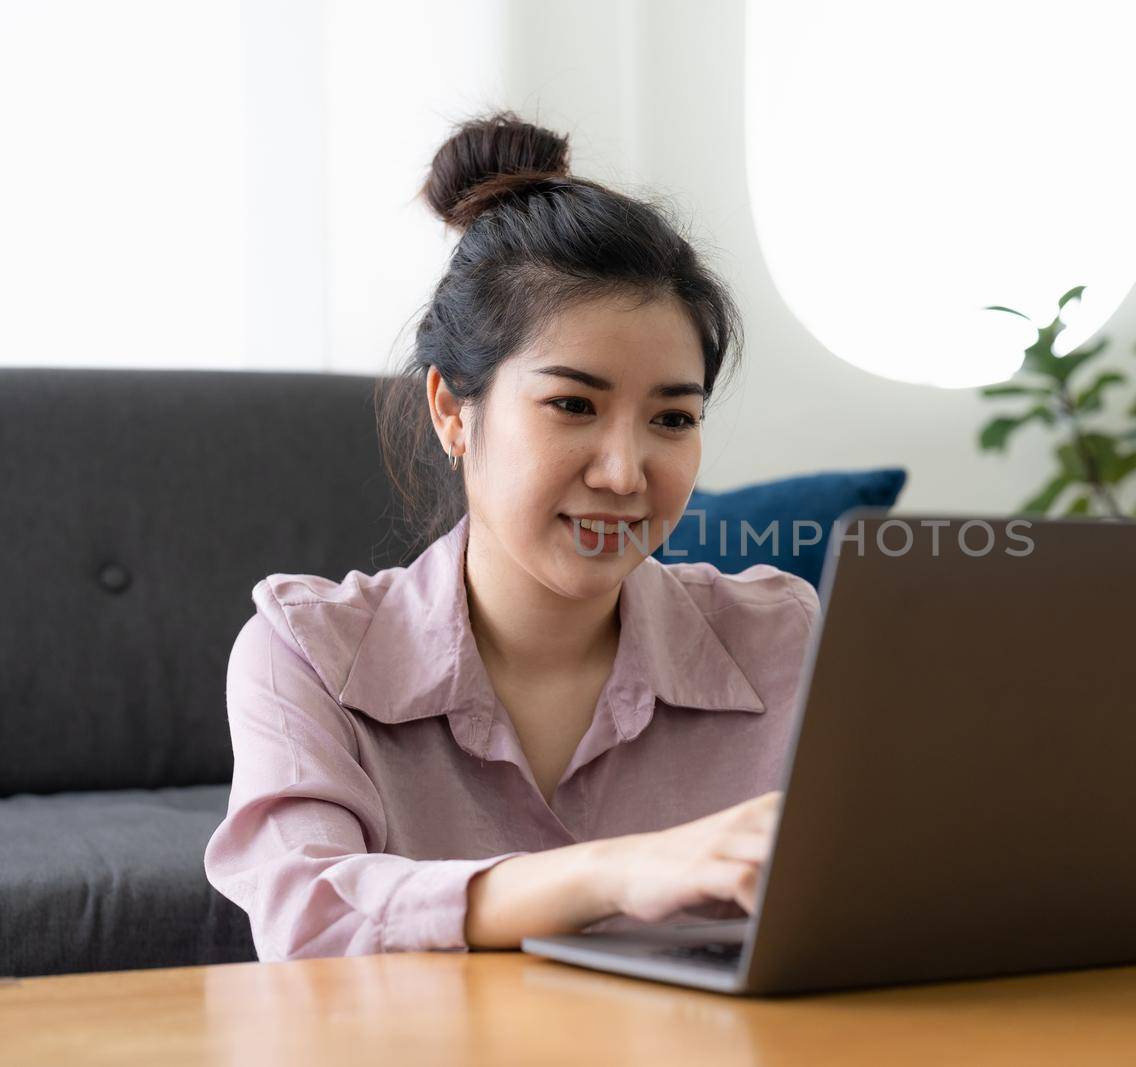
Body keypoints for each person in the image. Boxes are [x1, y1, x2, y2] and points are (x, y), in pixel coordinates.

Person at [203, 111, 819, 961]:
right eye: (574, 405)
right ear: (454, 412)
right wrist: (615, 873)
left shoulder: (784, 639)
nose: (625, 471)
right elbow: (309, 917)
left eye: (672, 417)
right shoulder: (307, 653)